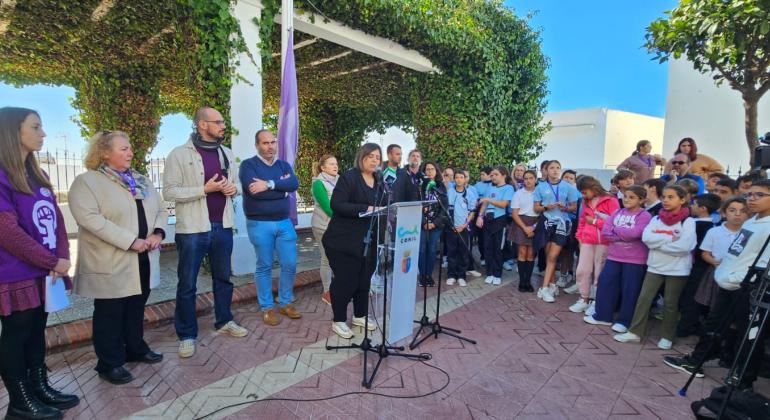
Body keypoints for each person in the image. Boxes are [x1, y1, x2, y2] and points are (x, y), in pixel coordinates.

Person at [0, 107, 80, 419]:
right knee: (17, 333)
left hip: (43, 270)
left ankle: (39, 387)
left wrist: (62, 258)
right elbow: (7, 232)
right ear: (12, 131)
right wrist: (51, 260)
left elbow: (57, 221)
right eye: (35, 127)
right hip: (16, 272)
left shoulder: (37, 174)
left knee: (36, 330)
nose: (43, 133)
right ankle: (20, 402)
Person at [69, 130, 167, 384]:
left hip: (143, 257)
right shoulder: (88, 182)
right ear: (104, 152)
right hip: (111, 260)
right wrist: (129, 241)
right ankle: (109, 363)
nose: (130, 152)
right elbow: (89, 218)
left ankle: (135, 348)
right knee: (110, 313)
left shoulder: (141, 180)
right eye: (123, 148)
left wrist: (158, 232)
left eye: (130, 147)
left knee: (136, 306)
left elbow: (160, 208)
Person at [663, 183, 770, 382]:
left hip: (747, 288)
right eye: (750, 194)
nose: (752, 198)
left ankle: (743, 378)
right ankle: (696, 360)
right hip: (728, 283)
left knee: (748, 335)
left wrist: (739, 279)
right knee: (713, 324)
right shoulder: (752, 220)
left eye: (760, 194)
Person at [163, 106, 246, 359]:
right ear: (202, 124)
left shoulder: (227, 153)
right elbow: (169, 192)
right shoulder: (178, 154)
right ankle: (187, 335)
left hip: (222, 225)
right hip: (192, 229)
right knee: (187, 283)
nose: (223, 125)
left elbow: (238, 185)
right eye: (218, 121)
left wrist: (234, 189)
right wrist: (204, 189)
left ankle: (224, 321)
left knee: (224, 278)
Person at [614, 185, 696, 349]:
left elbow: (685, 247)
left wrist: (658, 243)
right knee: (644, 299)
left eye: (671, 197)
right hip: (655, 266)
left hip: (677, 269)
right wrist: (669, 241)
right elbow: (646, 238)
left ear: (682, 200)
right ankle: (635, 332)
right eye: (664, 196)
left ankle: (667, 336)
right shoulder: (656, 219)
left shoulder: (688, 221)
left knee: (670, 303)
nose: (665, 200)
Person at [240, 129, 301, 326]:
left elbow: (294, 183)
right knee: (264, 265)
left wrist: (269, 184)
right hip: (259, 223)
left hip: (284, 222)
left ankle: (285, 302)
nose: (270, 146)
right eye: (265, 143)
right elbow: (254, 193)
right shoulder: (248, 165)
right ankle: (267, 307)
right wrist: (282, 191)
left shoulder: (283, 165)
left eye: (273, 142)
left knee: (290, 263)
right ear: (257, 145)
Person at [323, 143, 382, 339]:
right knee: (346, 281)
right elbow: (337, 205)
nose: (375, 160)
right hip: (343, 241)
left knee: (364, 280)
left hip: (368, 240)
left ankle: (360, 315)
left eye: (378, 157)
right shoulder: (349, 177)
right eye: (371, 156)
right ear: (362, 157)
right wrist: (366, 208)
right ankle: (338, 320)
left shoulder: (379, 180)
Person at [584, 185, 652, 332]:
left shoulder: (644, 216)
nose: (626, 199)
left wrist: (616, 230)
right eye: (625, 196)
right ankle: (603, 316)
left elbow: (635, 233)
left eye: (631, 197)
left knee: (630, 290)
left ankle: (625, 321)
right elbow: (606, 232)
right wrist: (622, 232)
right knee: (605, 283)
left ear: (641, 200)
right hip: (614, 257)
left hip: (635, 260)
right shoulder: (618, 212)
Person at [569, 176, 619, 313]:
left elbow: (615, 223)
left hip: (604, 242)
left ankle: (597, 301)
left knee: (599, 272)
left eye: (584, 192)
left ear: (593, 188)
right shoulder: (586, 202)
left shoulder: (611, 200)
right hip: (587, 240)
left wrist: (596, 222)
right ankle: (584, 298)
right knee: (582, 270)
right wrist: (579, 236)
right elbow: (583, 220)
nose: (583, 195)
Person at [533, 160, 580, 302]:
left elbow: (574, 207)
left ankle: (544, 288)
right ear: (546, 170)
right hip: (546, 222)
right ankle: (552, 285)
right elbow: (536, 208)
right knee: (549, 257)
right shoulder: (540, 187)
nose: (555, 170)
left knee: (553, 257)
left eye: (558, 168)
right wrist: (547, 207)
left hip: (562, 224)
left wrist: (564, 207)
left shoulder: (568, 187)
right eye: (551, 168)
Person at [676, 193, 720, 337]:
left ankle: (685, 327)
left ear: (703, 208)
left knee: (690, 297)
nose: (692, 207)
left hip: (696, 266)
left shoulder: (698, 225)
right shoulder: (710, 225)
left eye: (695, 204)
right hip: (700, 266)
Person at [476, 166, 515, 286]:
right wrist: (480, 216)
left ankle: (497, 274)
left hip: (500, 220)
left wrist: (488, 199)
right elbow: (484, 204)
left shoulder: (508, 188)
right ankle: (489, 273)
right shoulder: (489, 188)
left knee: (498, 248)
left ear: (503, 176)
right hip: (488, 220)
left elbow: (504, 204)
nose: (493, 177)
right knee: (487, 247)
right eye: (492, 175)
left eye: (496, 174)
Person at [311, 154, 339, 305]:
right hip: (323, 226)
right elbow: (328, 208)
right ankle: (327, 291)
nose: (335, 166)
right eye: (331, 164)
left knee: (339, 257)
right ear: (323, 167)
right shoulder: (318, 183)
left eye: (336, 164)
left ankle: (338, 286)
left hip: (338, 226)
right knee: (327, 258)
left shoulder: (339, 180)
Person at [417, 161, 448, 287]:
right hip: (422, 224)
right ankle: (422, 276)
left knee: (432, 250)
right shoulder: (419, 186)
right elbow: (416, 205)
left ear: (436, 171)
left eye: (432, 169)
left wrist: (434, 223)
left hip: (436, 225)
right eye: (427, 169)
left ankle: (429, 275)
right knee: (422, 250)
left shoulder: (440, 186)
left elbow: (444, 208)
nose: (429, 171)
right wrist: (424, 222)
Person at [446, 169, 478, 287]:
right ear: (454, 179)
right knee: (451, 252)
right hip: (451, 228)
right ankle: (451, 275)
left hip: (464, 228)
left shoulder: (469, 194)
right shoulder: (450, 192)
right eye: (457, 177)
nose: (459, 179)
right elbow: (447, 210)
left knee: (463, 252)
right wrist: (452, 225)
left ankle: (461, 276)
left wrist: (464, 225)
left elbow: (472, 212)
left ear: (465, 179)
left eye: (461, 177)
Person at [511, 170, 540, 292]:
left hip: (536, 223)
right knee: (522, 252)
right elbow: (514, 213)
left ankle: (528, 282)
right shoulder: (518, 193)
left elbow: (543, 213)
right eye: (526, 178)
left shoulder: (539, 193)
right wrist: (525, 228)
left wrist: (533, 228)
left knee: (531, 254)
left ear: (535, 179)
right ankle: (522, 282)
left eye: (531, 178)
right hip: (521, 222)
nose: (528, 181)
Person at [473, 166, 493, 267]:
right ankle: (483, 256)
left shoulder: (494, 184)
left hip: (491, 211)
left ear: (489, 175)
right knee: (481, 236)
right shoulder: (477, 185)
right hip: (480, 210)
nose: (481, 176)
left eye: (483, 174)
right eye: (480, 174)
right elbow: (475, 197)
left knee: (489, 236)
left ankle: (491, 256)